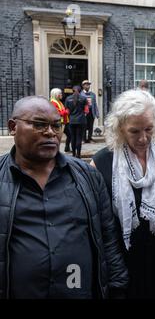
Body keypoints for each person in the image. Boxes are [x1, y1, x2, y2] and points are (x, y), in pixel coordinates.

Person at [0, 96, 128, 298]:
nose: (51, 133)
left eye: (57, 125)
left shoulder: (88, 177)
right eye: (39, 125)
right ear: (13, 127)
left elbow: (108, 237)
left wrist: (118, 288)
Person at [91, 89, 155, 299]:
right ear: (120, 128)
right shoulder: (101, 162)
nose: (144, 138)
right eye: (134, 131)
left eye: (148, 128)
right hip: (120, 258)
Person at [65, 85, 87, 158]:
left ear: (72, 91)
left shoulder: (68, 99)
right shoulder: (84, 98)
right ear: (80, 90)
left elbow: (67, 111)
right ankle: (78, 154)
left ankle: (73, 154)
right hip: (81, 120)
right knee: (79, 138)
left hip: (72, 120)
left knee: (73, 137)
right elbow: (86, 111)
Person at [50, 88, 71, 152]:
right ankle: (56, 150)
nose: (62, 95)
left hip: (64, 122)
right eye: (60, 94)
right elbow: (58, 113)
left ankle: (67, 147)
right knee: (58, 137)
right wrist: (66, 111)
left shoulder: (59, 102)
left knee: (70, 135)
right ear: (56, 95)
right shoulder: (53, 103)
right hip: (59, 123)